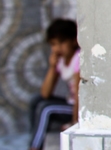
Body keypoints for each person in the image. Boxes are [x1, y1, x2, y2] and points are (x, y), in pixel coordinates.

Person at [29, 19, 80, 150]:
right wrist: (52, 67)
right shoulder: (61, 60)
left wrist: (74, 122)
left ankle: (35, 147)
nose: (57, 48)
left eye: (62, 43)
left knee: (46, 109)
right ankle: (34, 138)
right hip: (70, 103)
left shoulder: (78, 58)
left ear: (74, 40)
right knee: (36, 101)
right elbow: (45, 93)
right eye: (53, 44)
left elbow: (80, 94)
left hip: (78, 108)